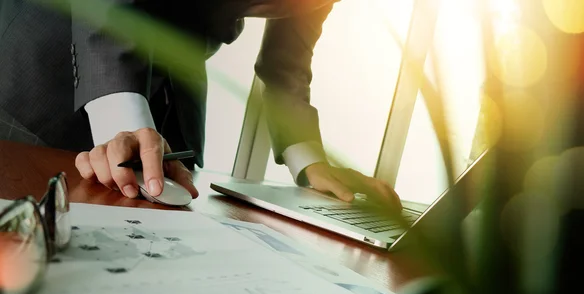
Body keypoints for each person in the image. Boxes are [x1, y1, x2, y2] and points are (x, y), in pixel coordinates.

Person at [0, 0, 400, 207]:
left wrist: (310, 161)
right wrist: (120, 112)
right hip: (48, 64)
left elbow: (287, 65)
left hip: (169, 91)